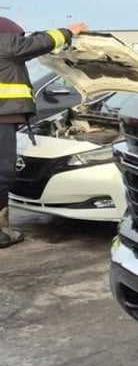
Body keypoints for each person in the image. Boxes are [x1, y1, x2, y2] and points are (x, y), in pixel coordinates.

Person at [0, 17, 88, 248]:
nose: (19, 40)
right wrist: (68, 31)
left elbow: (31, 41)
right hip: (2, 117)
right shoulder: (6, 44)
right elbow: (40, 42)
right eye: (17, 37)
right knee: (1, 173)